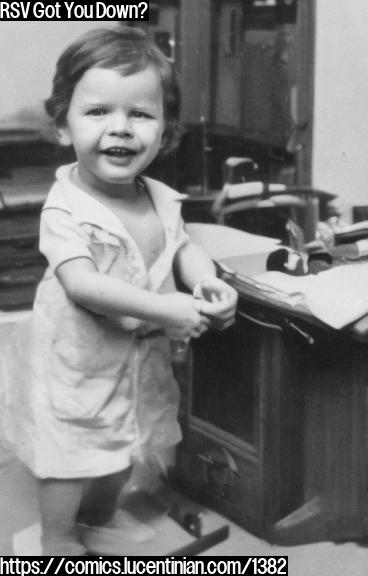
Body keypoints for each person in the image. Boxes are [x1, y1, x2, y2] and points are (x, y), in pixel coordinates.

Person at [8, 26, 237, 555]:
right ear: (64, 125)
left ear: (167, 130)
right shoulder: (65, 208)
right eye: (97, 112)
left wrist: (207, 281)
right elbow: (82, 283)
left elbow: (183, 248)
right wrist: (163, 306)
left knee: (122, 448)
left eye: (140, 114)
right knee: (71, 456)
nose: (121, 129)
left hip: (137, 359)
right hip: (77, 361)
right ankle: (59, 539)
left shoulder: (160, 199)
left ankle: (98, 518)